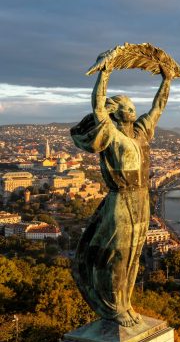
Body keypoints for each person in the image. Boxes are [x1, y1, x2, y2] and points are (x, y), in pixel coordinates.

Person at [70, 64, 174, 327]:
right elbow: (97, 107)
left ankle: (125, 304)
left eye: (132, 106)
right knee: (118, 255)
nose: (132, 110)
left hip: (142, 199)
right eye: (127, 107)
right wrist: (104, 74)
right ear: (116, 113)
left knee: (134, 256)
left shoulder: (140, 133)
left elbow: (158, 108)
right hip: (122, 199)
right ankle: (113, 306)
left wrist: (167, 79)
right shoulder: (110, 134)